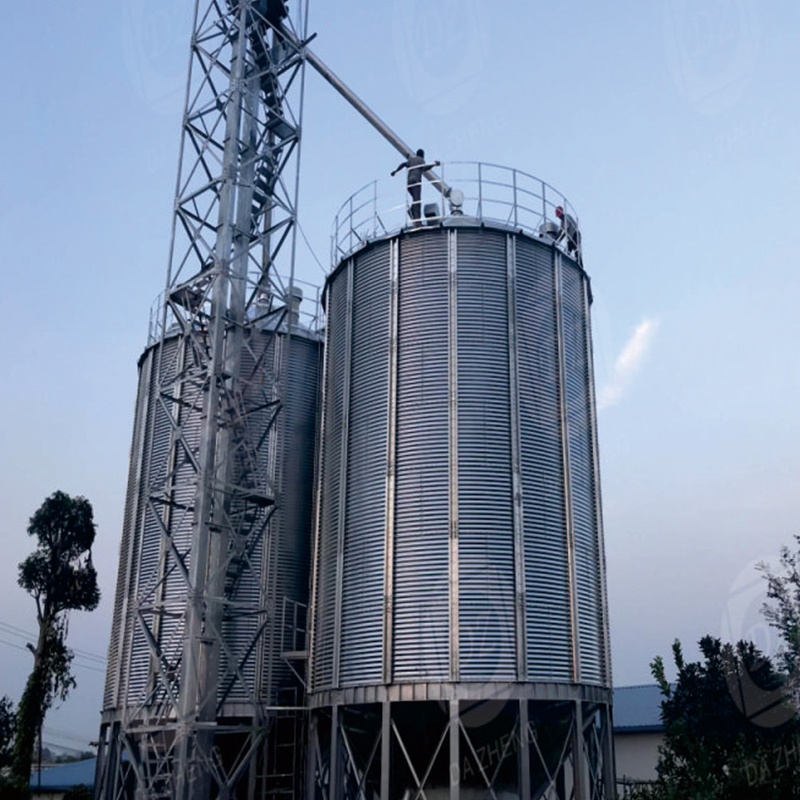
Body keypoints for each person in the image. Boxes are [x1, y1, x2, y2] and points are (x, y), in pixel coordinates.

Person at [391, 149, 440, 224]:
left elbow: (403, 164)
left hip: (409, 182)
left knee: (415, 200)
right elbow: (425, 168)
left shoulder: (411, 160)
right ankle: (418, 222)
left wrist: (396, 171)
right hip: (416, 181)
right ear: (422, 155)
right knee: (417, 201)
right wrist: (434, 164)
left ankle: (411, 210)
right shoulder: (421, 160)